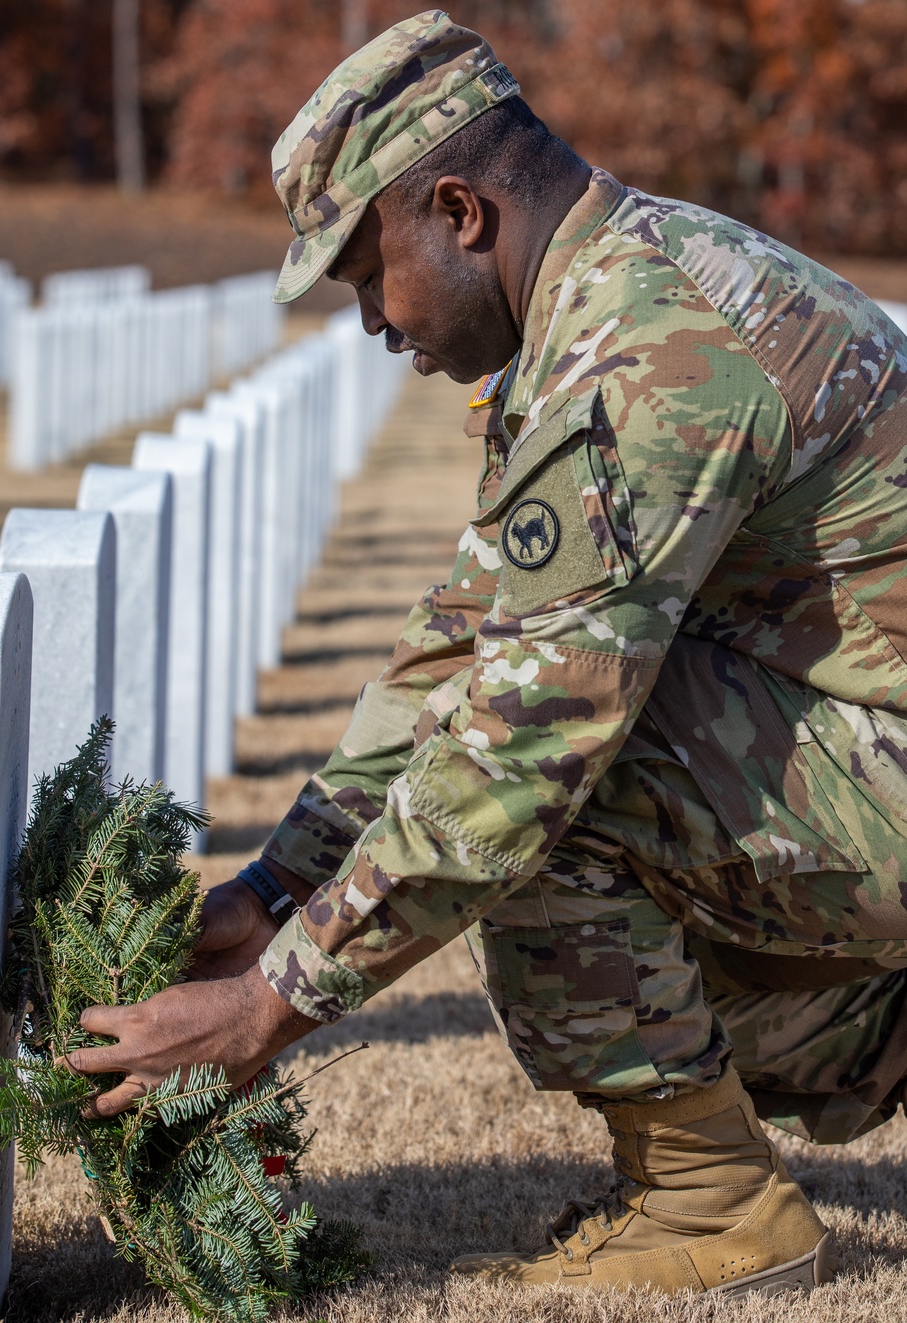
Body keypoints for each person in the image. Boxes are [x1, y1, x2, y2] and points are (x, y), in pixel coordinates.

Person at [65, 9, 907, 1298]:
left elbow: (521, 738)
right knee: (503, 735)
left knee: (533, 784)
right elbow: (459, 640)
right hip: (871, 762)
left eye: (363, 275)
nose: (370, 323)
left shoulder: (648, 352)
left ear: (459, 212)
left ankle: (709, 1203)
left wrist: (270, 1006)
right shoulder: (604, 294)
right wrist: (276, 892)